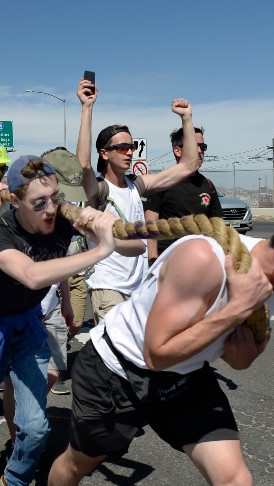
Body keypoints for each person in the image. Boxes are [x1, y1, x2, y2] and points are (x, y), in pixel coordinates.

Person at [45, 194, 274, 486]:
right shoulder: (204, 260)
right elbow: (156, 353)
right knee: (79, 463)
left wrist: (244, 351)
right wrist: (236, 309)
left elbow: (238, 360)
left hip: (184, 375)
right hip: (117, 369)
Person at [0, 155, 142, 486]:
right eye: (38, 202)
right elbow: (29, 275)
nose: (49, 209)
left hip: (27, 327)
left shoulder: (62, 218)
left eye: (54, 198)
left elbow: (135, 246)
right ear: (15, 201)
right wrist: (101, 250)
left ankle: (15, 478)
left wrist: (110, 227)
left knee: (36, 424)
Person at [76, 78, 201, 325]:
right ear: (104, 153)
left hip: (138, 286)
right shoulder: (99, 190)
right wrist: (87, 108)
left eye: (131, 147)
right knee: (118, 355)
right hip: (108, 286)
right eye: (121, 148)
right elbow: (83, 165)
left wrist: (186, 119)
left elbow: (188, 165)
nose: (129, 152)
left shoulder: (138, 185)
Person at [144, 126, 222, 266]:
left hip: (199, 263)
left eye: (203, 146)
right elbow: (151, 226)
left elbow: (218, 229)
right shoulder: (162, 182)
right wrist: (153, 263)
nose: (200, 151)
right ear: (177, 150)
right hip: (167, 263)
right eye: (194, 146)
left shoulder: (208, 185)